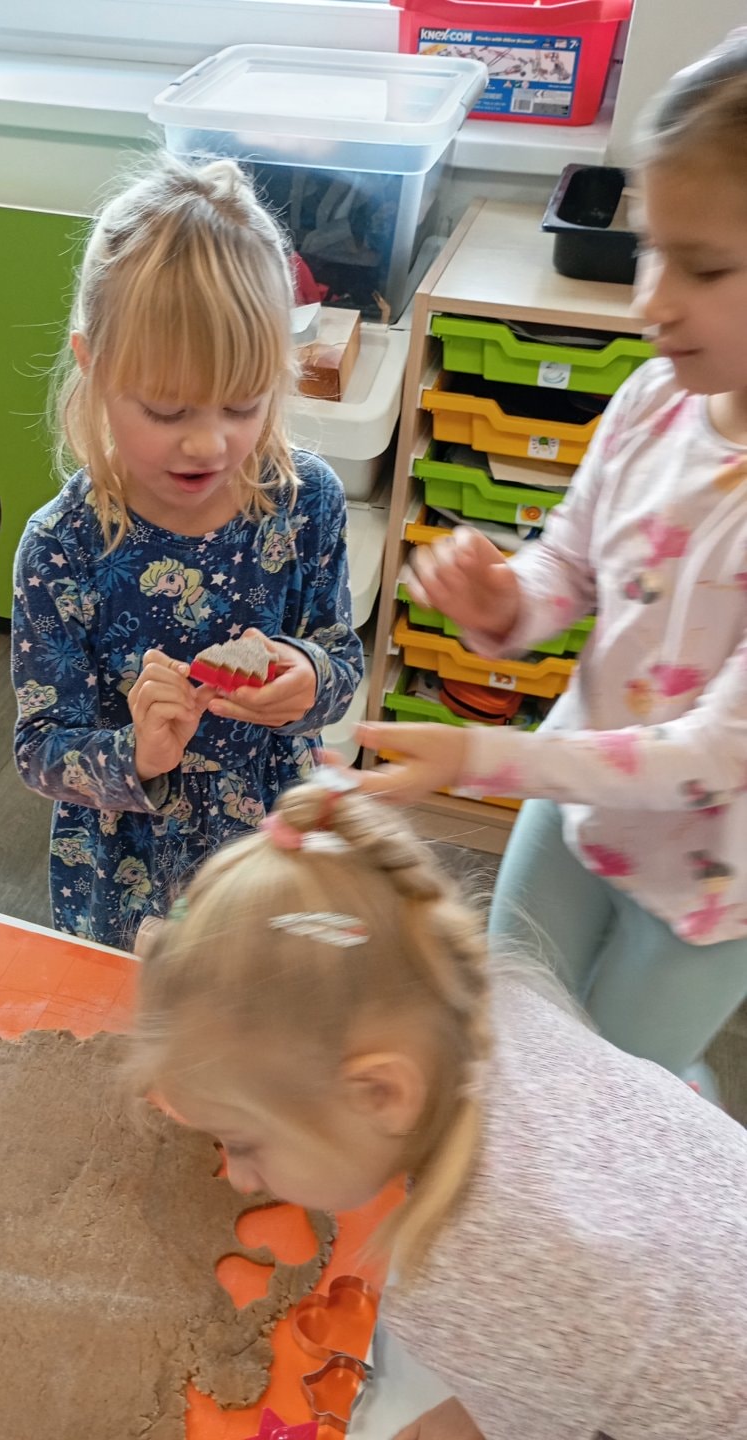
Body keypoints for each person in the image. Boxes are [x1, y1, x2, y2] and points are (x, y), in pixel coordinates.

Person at [129, 770, 747, 1440]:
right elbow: (580, 1351)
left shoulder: (459, 1282)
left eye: (245, 1142)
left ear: (381, 1093)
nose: (241, 1178)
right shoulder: (498, 1008)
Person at [357, 33, 747, 1079]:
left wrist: (479, 758)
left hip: (711, 889)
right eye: (652, 247)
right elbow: (570, 563)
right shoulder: (653, 399)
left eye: (704, 266)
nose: (651, 298)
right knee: (514, 1030)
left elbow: (714, 755)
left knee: (618, 1085)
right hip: (574, 800)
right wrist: (505, 603)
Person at [11, 153, 362, 952]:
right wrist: (138, 752)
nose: (208, 442)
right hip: (128, 860)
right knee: (134, 1012)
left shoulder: (306, 502)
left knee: (264, 996)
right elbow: (40, 750)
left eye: (242, 404)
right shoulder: (63, 547)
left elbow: (342, 660)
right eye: (167, 410)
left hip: (272, 841)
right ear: (94, 367)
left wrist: (310, 678)